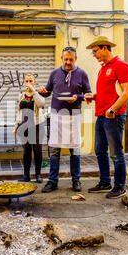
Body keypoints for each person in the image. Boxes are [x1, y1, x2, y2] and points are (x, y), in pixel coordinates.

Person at [84, 36, 128, 199]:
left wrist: (112, 110)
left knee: (115, 152)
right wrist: (94, 96)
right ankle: (105, 182)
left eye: (95, 51)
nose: (94, 55)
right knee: (99, 150)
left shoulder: (121, 65)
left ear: (105, 48)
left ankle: (120, 186)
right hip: (101, 115)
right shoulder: (102, 68)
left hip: (113, 116)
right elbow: (110, 93)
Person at [38, 46, 91, 193]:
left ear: (75, 59)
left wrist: (78, 97)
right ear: (61, 58)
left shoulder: (82, 74)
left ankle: (76, 180)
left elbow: (88, 94)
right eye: (66, 59)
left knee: (75, 150)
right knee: (55, 150)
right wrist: (43, 92)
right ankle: (53, 181)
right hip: (56, 116)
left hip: (74, 116)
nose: (68, 62)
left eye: (71, 59)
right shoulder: (54, 73)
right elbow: (47, 92)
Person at [13, 73, 46, 183]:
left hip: (37, 125)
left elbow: (41, 104)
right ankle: (26, 175)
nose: (28, 83)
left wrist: (34, 91)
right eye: (26, 81)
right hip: (25, 126)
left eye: (30, 81)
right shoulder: (21, 96)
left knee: (37, 150)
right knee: (26, 151)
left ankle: (38, 175)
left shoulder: (38, 94)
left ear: (34, 82)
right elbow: (19, 112)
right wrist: (16, 126)